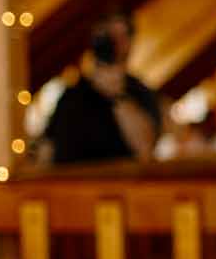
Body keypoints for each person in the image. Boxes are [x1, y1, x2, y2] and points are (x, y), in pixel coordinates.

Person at [39, 12, 161, 166]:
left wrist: (118, 96)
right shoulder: (71, 95)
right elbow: (47, 150)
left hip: (121, 187)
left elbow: (145, 150)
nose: (114, 44)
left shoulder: (140, 92)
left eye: (121, 36)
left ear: (131, 41)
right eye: (109, 36)